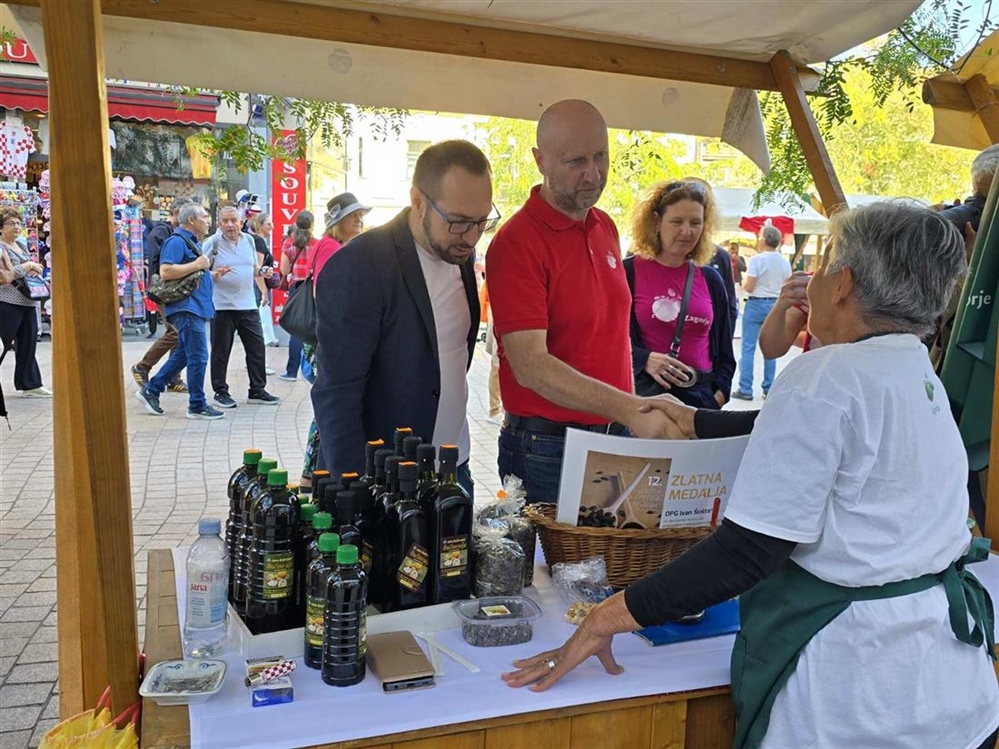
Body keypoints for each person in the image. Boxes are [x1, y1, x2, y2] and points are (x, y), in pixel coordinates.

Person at [502, 201, 999, 749]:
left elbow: (746, 552)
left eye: (825, 264)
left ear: (844, 284)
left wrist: (606, 617)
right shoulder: (911, 365)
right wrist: (694, 420)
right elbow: (797, 428)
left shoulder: (824, 377)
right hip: (947, 688)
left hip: (860, 695)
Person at [486, 99, 676, 504]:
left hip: (614, 434)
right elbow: (531, 367)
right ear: (540, 160)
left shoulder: (604, 225)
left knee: (612, 565)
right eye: (575, 161)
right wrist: (629, 408)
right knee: (556, 568)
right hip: (548, 448)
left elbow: (610, 334)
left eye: (601, 156)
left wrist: (627, 412)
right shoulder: (517, 242)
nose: (593, 174)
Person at [312, 140, 491, 496]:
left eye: (482, 221)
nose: (471, 237)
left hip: (455, 469)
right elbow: (336, 393)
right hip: (386, 481)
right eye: (458, 222)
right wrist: (358, 494)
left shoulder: (462, 255)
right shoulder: (361, 265)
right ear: (418, 201)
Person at [624, 179, 735, 409]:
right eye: (676, 221)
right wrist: (644, 359)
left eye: (696, 222)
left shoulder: (711, 279)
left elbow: (725, 349)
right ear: (656, 222)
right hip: (646, 400)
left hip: (701, 402)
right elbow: (606, 339)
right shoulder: (628, 273)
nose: (687, 231)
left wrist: (719, 396)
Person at [299, 192, 370, 491]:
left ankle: (311, 474)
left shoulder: (334, 246)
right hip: (326, 338)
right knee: (329, 408)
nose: (359, 220)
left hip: (322, 337)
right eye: (352, 215)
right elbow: (327, 296)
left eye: (360, 214)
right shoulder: (331, 248)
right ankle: (312, 474)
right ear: (337, 221)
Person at [135, 203, 227, 420]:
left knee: (185, 354)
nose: (208, 221)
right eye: (204, 216)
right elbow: (165, 271)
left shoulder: (191, 243)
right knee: (199, 356)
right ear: (191, 220)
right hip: (187, 307)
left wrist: (209, 273)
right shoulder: (177, 241)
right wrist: (197, 265)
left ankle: (152, 389)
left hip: (195, 306)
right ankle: (197, 405)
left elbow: (190, 273)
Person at [201, 206, 280, 409]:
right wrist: (214, 275)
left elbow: (252, 268)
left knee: (256, 348)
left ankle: (257, 390)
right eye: (225, 221)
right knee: (221, 351)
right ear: (219, 223)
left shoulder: (249, 241)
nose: (230, 225)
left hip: (247, 305)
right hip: (222, 306)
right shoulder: (213, 243)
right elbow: (198, 271)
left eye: (233, 221)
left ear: (241, 222)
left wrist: (263, 272)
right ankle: (220, 391)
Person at [131, 196, 193, 392]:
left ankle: (173, 377)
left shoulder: (178, 233)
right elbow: (161, 263)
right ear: (175, 213)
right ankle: (143, 366)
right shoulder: (162, 231)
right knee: (175, 331)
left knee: (178, 331)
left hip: (176, 290)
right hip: (164, 290)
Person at [731, 222, 791, 400]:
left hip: (756, 303)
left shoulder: (757, 260)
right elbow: (786, 284)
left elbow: (749, 286)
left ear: (764, 239)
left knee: (748, 348)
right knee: (770, 348)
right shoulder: (783, 261)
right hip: (775, 304)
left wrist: (743, 285)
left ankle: (746, 388)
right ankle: (769, 387)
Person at [0, 208, 51, 397]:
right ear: (1, 228)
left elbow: (20, 269)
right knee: (4, 344)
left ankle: (30, 384)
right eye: (11, 223)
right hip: (6, 301)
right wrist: (28, 266)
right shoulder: (1, 247)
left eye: (18, 223)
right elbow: (6, 273)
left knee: (28, 344)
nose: (16, 227)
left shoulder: (20, 245)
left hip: (28, 301)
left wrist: (34, 267)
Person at [278, 210, 316, 382]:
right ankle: (312, 367)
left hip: (296, 288)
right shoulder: (317, 244)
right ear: (312, 224)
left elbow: (284, 270)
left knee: (296, 327)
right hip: (313, 288)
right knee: (313, 325)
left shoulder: (289, 244)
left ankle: (291, 371)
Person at [246, 211, 279, 347]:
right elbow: (257, 269)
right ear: (260, 225)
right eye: (268, 224)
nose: (272, 227)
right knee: (258, 323)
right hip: (258, 287)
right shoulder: (258, 241)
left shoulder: (254, 240)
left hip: (257, 285)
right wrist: (264, 292)